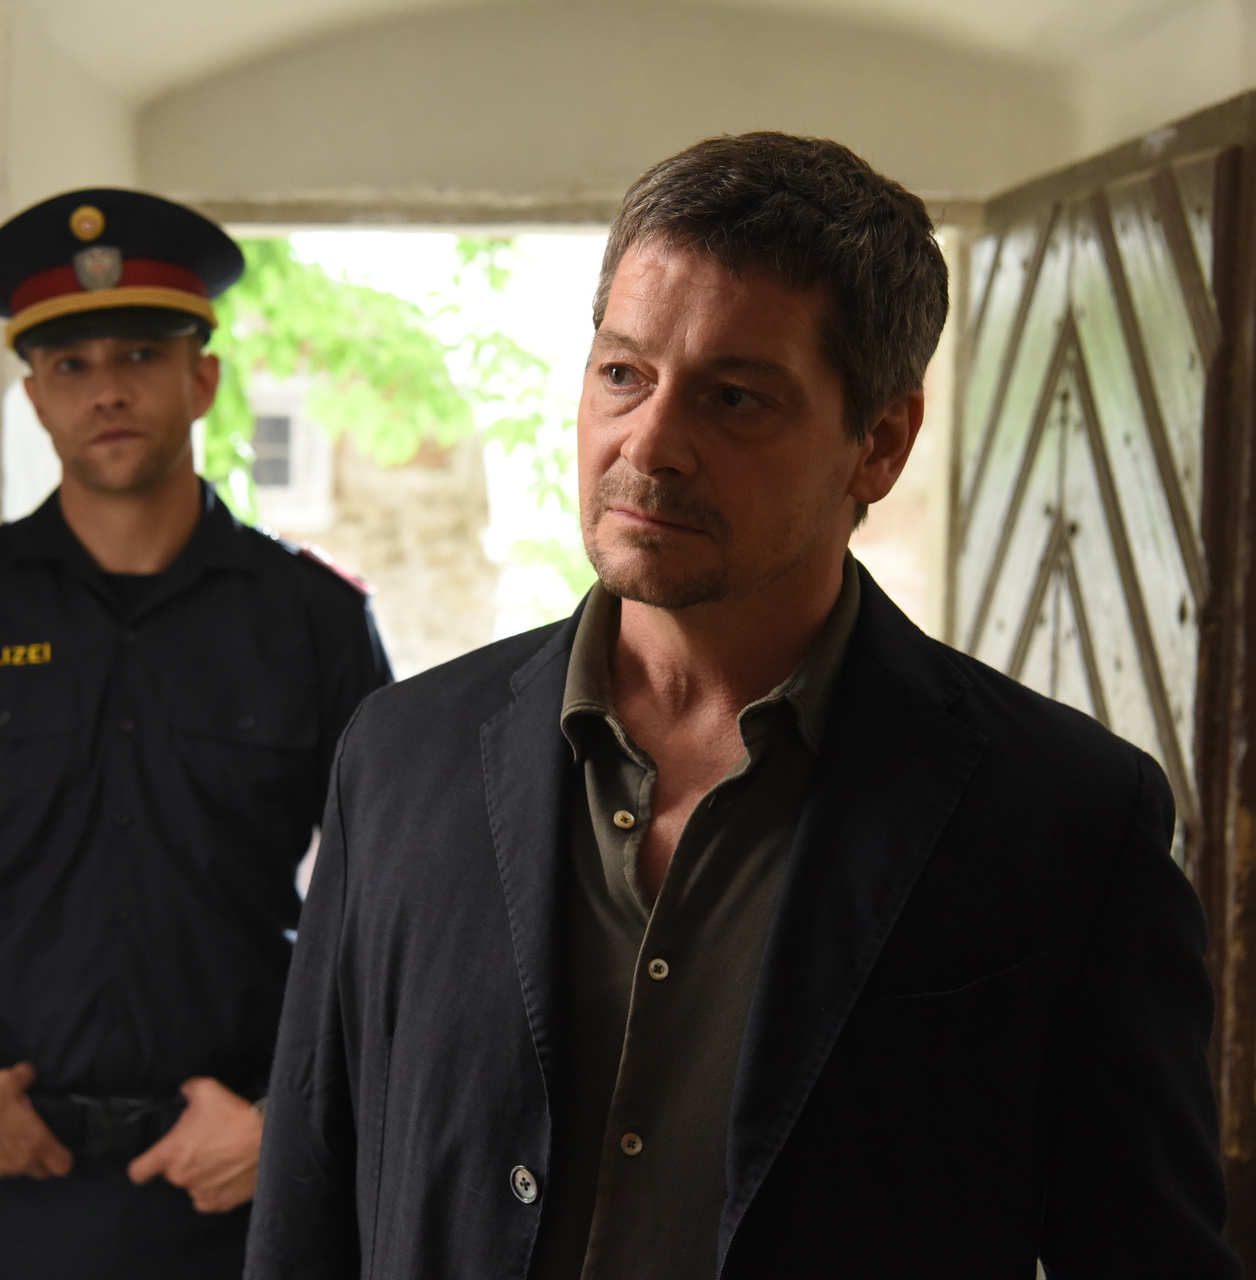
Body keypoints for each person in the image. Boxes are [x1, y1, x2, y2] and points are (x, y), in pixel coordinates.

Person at [245, 134, 1238, 1279]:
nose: (651, 443)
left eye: (733, 398)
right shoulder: (399, 758)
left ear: (880, 442)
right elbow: (307, 1205)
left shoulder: (1064, 816)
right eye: (624, 374)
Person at [0, 188, 391, 1280]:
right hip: (1, 1195)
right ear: (35, 398)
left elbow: (397, 921)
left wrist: (287, 1118)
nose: (106, 387)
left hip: (239, 1186)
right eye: (70, 364)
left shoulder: (311, 621)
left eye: (141, 354)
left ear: (202, 379)